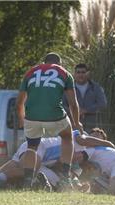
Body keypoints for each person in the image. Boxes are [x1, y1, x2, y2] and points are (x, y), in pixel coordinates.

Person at [16, 52, 83, 190]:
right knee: (67, 136)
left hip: (31, 116)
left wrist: (22, 119)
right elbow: (73, 103)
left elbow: (19, 103)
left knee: (32, 147)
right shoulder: (64, 73)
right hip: (55, 115)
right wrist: (77, 122)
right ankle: (65, 177)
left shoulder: (30, 72)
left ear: (43, 62)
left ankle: (27, 182)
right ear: (59, 63)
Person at [62, 63, 107, 131]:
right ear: (74, 74)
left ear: (88, 73)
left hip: (92, 126)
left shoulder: (96, 87)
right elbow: (62, 105)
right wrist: (76, 111)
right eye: (78, 72)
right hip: (72, 125)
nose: (81, 75)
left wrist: (86, 110)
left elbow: (102, 103)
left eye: (83, 72)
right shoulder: (67, 88)